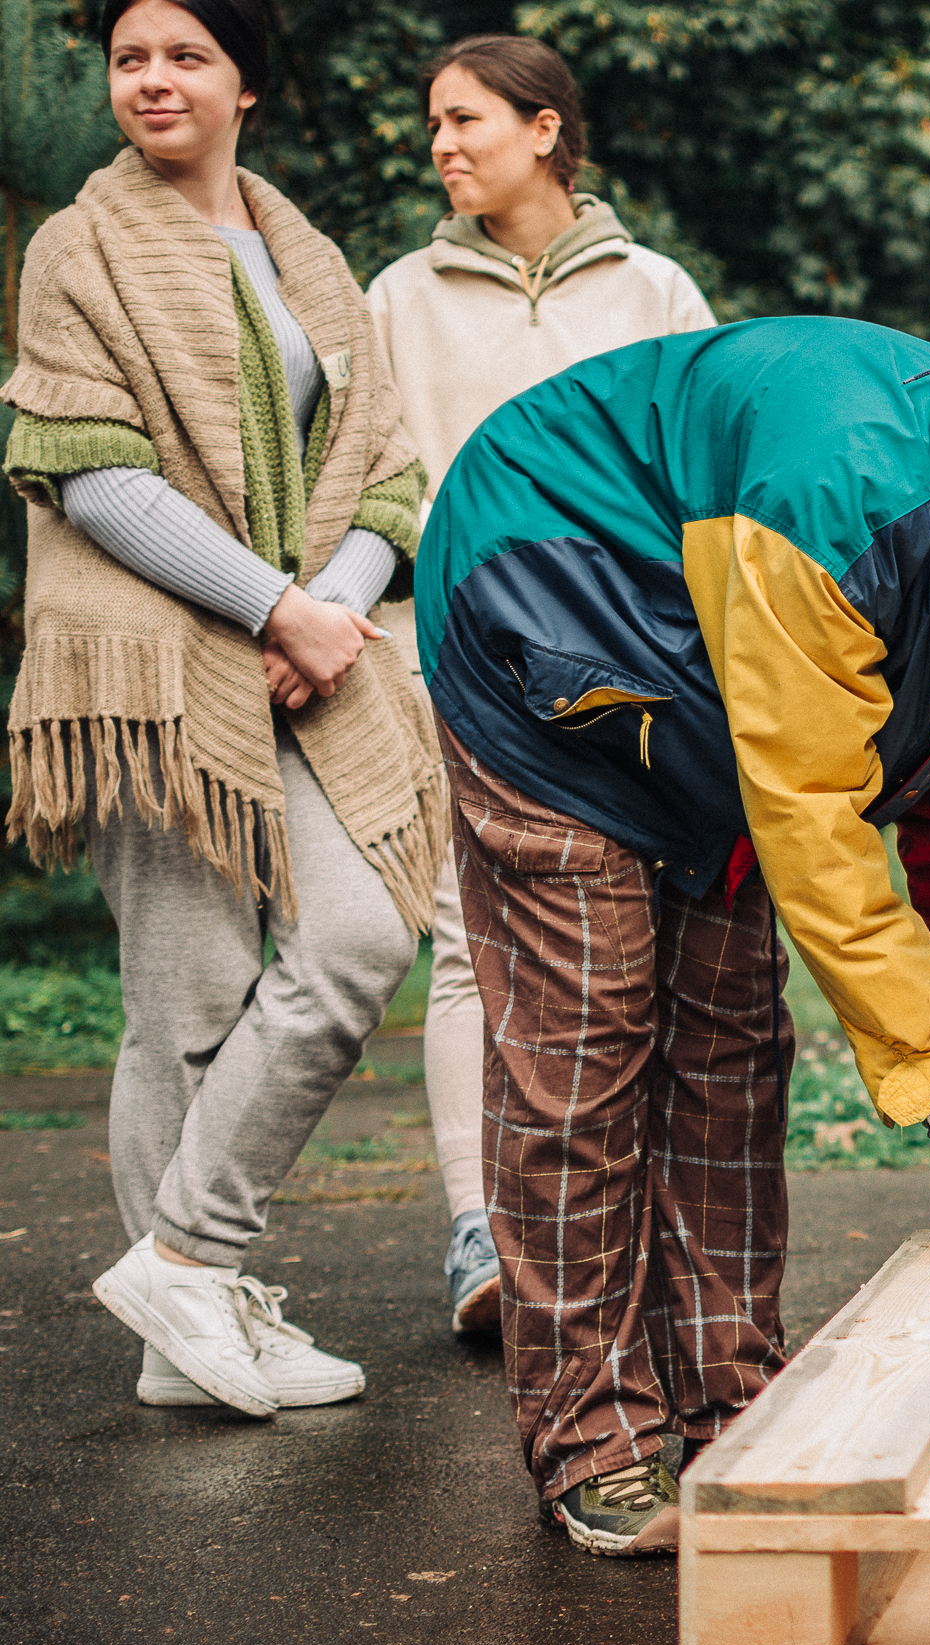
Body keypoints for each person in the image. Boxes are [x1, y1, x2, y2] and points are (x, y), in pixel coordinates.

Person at [416, 315, 930, 1555]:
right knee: (591, 1046)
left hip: (715, 677)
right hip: (545, 605)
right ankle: (589, 1434)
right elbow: (813, 818)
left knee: (730, 1044)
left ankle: (728, 1401)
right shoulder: (843, 502)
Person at [2, 0, 437, 1418]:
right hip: (155, 662)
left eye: (187, 55)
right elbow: (91, 468)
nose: (153, 80)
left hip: (305, 657)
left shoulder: (302, 251)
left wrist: (331, 611)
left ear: (247, 81)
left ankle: (186, 1262)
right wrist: (276, 605)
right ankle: (187, 1331)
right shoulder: (81, 243)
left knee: (359, 936)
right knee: (184, 1001)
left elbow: (380, 467)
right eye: (132, 58)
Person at [366, 32, 717, 1337]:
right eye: (435, 123)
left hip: (628, 667)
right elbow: (373, 483)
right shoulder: (398, 296)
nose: (442, 145)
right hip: (451, 654)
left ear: (547, 130)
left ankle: (618, 1226)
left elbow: (704, 472)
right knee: (468, 941)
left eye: (466, 121)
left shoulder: (653, 291)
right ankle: (482, 1233)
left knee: (641, 943)